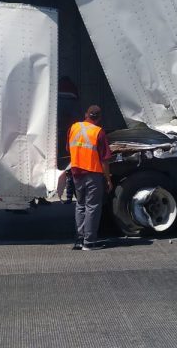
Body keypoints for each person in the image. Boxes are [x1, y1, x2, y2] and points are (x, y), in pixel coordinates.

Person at [67, 105, 113, 251]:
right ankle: (90, 241)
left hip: (76, 173)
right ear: (99, 118)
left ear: (86, 114)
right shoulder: (98, 132)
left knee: (80, 205)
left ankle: (80, 239)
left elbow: (68, 148)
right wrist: (108, 179)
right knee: (92, 206)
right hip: (92, 173)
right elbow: (105, 160)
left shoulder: (73, 128)